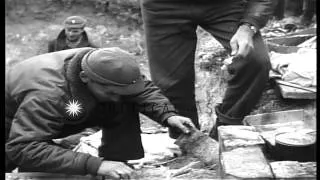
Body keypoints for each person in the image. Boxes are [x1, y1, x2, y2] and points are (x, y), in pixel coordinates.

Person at [5, 47, 195, 179]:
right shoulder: (49, 95)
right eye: (109, 91)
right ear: (84, 77)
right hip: (13, 124)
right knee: (26, 158)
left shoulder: (110, 67)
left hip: (62, 108)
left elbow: (142, 90)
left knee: (124, 100)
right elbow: (23, 147)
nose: (114, 97)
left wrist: (168, 115)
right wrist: (94, 164)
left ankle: (117, 164)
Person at [140, 0, 273, 140]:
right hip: (164, 6)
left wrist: (249, 26)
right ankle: (188, 140)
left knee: (254, 60)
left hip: (224, 5)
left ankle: (225, 129)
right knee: (170, 83)